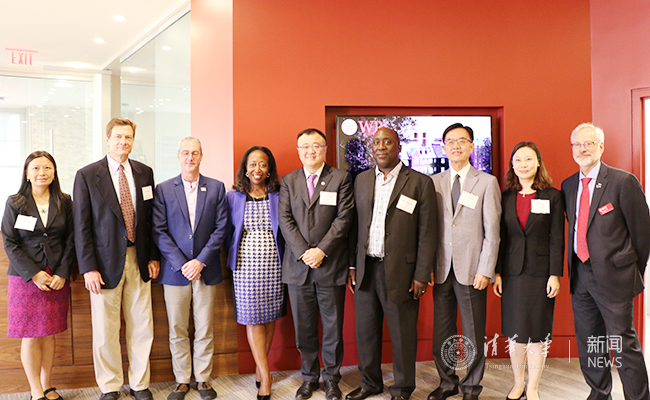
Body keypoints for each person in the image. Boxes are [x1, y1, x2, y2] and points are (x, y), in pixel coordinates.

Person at [346, 127, 437, 400]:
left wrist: (422, 273)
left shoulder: (420, 182)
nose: (381, 146)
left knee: (402, 334)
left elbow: (428, 232)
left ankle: (402, 388)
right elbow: (354, 226)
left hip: (402, 272)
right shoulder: (361, 180)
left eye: (387, 142)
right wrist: (352, 265)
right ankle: (370, 383)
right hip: (366, 269)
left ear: (399, 147)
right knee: (366, 333)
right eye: (376, 142)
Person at [561, 123, 650, 400]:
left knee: (623, 344)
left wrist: (632, 271)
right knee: (591, 341)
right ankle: (599, 393)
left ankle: (638, 397)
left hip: (615, 277)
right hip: (580, 275)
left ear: (601, 147)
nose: (582, 149)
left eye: (588, 143)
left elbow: (642, 233)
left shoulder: (623, 181)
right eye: (577, 144)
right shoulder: (568, 185)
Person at [73, 117, 159, 400]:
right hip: (103, 263)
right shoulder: (87, 175)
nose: (124, 142)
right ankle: (109, 385)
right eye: (118, 137)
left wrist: (153, 256)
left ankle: (139, 384)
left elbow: (150, 220)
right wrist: (88, 267)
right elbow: (81, 226)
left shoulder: (145, 173)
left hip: (139, 259)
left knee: (142, 325)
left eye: (128, 137)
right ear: (108, 139)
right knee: (105, 329)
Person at [279, 128, 355, 400]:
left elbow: (344, 218)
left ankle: (332, 379)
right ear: (298, 150)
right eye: (305, 146)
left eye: (316, 145)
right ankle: (309, 378)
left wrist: (321, 250)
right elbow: (285, 220)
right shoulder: (288, 181)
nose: (310, 150)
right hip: (297, 268)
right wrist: (304, 252)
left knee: (333, 329)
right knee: (305, 329)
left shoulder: (341, 178)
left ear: (325, 149)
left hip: (330, 265)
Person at [152, 137, 228, 400]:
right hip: (176, 271)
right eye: (185, 153)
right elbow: (159, 230)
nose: (190, 158)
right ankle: (182, 379)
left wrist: (200, 260)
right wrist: (183, 263)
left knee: (205, 327)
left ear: (201, 156)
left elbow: (221, 228)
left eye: (195, 153)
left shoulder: (216, 188)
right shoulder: (163, 189)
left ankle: (203, 379)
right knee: (177, 329)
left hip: (206, 268)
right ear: (178, 156)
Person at [429, 123, 501, 400]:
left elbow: (492, 232)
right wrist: (428, 267)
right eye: (450, 141)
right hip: (441, 269)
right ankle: (447, 382)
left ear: (472, 146)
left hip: (472, 270)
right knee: (442, 332)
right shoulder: (433, 182)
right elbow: (428, 229)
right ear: (444, 147)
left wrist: (486, 269)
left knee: (472, 332)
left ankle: (471, 387)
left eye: (462, 140)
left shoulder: (486, 182)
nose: (456, 145)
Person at [492, 142, 564, 400]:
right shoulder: (505, 197)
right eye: (518, 160)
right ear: (512, 165)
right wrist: (497, 273)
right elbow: (499, 237)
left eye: (529, 159)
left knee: (537, 333)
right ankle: (518, 383)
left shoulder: (552, 196)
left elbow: (557, 238)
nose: (523, 164)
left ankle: (533, 387)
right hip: (512, 273)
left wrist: (555, 274)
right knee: (516, 332)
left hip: (540, 273)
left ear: (538, 162)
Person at [2, 151, 74, 400]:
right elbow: (10, 242)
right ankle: (35, 389)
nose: (41, 172)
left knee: (49, 332)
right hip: (26, 277)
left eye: (47, 168)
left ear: (54, 173)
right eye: (35, 168)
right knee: (32, 334)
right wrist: (34, 274)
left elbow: (71, 240)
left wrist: (62, 272)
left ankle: (47, 385)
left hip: (56, 276)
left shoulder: (64, 201)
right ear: (27, 173)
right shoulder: (15, 202)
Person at [226, 146, 285, 400]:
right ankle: (266, 375)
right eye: (252, 164)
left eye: (262, 164)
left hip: (274, 264)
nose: (257, 169)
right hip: (245, 266)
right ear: (245, 168)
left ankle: (262, 369)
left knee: (269, 315)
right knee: (253, 318)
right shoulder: (233, 197)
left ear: (269, 168)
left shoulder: (279, 195)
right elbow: (226, 231)